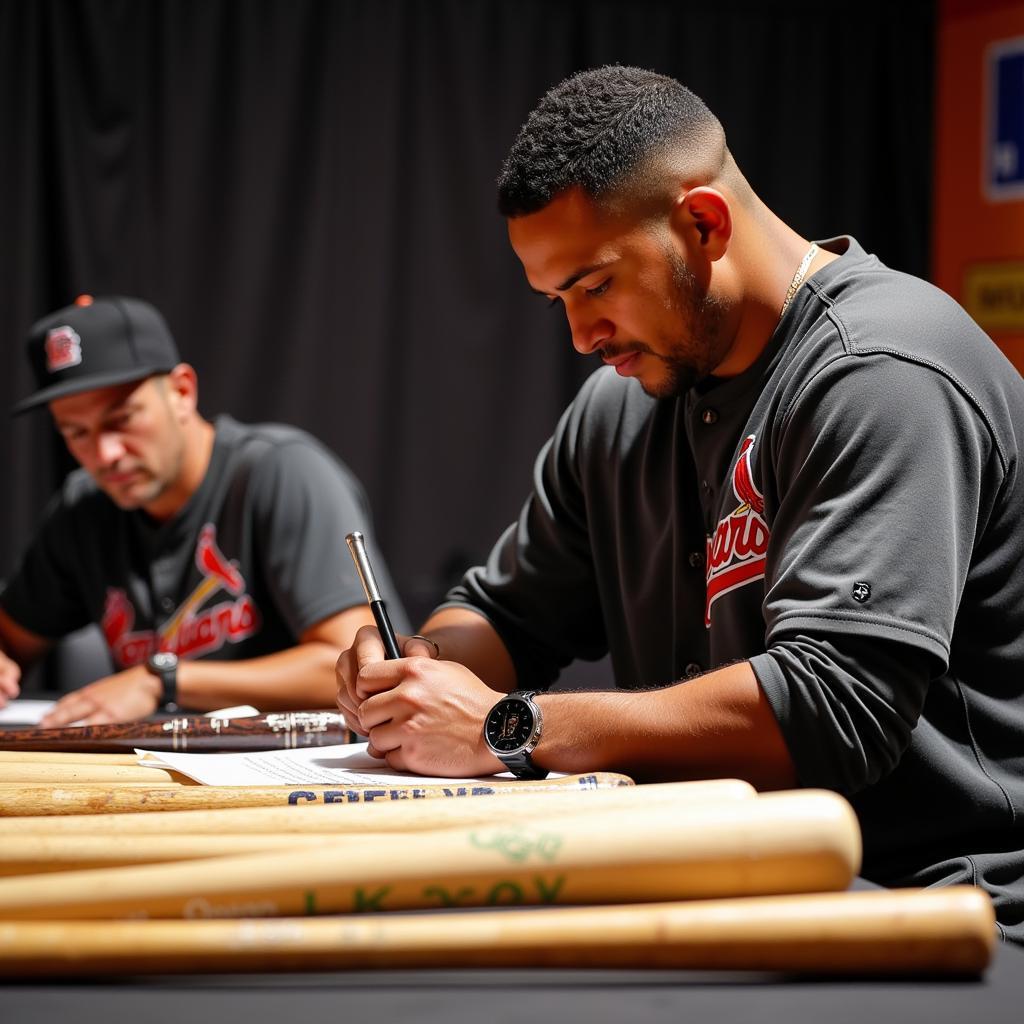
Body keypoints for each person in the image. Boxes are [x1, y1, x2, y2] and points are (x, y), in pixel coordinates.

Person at [337, 66, 1024, 944]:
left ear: (703, 224)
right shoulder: (622, 408)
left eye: (594, 287)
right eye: (556, 302)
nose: (582, 337)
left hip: (935, 905)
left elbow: (833, 707)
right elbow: (506, 616)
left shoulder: (884, 371)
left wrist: (508, 726)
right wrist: (417, 667)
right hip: (730, 883)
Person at [0, 293, 404, 726]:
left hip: (303, 773)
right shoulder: (83, 507)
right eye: (76, 432)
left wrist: (164, 680)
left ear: (181, 391)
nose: (105, 453)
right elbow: (11, 637)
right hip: (155, 775)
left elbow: (364, 668)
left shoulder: (281, 471)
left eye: (121, 419)